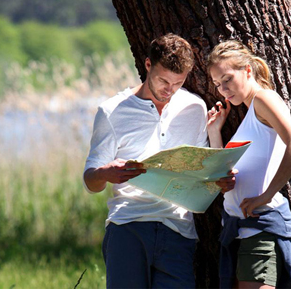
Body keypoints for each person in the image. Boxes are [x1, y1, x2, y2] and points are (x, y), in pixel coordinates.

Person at [83, 33, 235, 288]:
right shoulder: (112, 111)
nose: (169, 89)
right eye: (163, 80)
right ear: (147, 65)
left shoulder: (193, 107)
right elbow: (90, 181)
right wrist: (105, 173)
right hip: (128, 226)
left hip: (178, 230)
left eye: (178, 82)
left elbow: (201, 170)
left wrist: (217, 179)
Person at [205, 40, 291, 289]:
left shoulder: (264, 99)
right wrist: (214, 132)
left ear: (248, 70)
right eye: (218, 84)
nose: (223, 89)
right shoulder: (251, 115)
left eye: (227, 79)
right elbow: (225, 174)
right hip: (243, 231)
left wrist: (265, 196)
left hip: (261, 229)